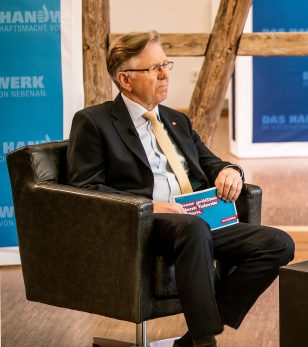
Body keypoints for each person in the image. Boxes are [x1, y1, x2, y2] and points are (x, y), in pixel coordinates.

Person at [67, 31, 295, 347]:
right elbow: (86, 189)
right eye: (154, 68)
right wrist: (149, 207)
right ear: (125, 79)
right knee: (193, 228)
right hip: (145, 225)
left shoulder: (176, 120)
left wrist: (230, 171)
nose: (164, 74)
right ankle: (205, 342)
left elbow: (210, 162)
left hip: (197, 221)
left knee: (278, 244)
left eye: (166, 64)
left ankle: (190, 340)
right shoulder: (94, 122)